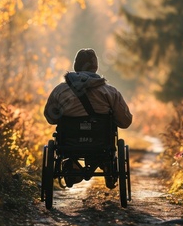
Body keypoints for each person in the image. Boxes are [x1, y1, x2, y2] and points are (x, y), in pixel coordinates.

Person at [44, 48, 132, 188]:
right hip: (101, 142)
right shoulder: (110, 92)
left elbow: (50, 117)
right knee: (102, 142)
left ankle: (72, 166)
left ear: (75, 66)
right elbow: (125, 121)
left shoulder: (60, 91)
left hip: (69, 143)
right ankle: (105, 165)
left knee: (69, 146)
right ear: (96, 67)